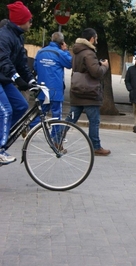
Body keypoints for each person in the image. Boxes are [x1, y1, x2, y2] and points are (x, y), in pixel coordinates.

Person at [0, 1, 36, 165]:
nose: (31, 22)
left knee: (21, 105)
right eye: (28, 19)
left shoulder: (18, 37)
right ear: (20, 20)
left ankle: (2, 135)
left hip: (4, 79)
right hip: (4, 77)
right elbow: (3, 61)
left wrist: (31, 80)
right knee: (6, 110)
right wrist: (17, 79)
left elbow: (21, 63)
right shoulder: (4, 36)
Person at [65, 28, 111, 156]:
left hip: (77, 91)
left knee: (70, 119)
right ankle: (96, 146)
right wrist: (104, 66)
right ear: (92, 38)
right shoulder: (89, 53)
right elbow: (96, 72)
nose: (96, 40)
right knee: (94, 121)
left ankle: (57, 139)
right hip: (89, 93)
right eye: (96, 37)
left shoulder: (76, 52)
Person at [30, 32, 72, 132]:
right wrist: (66, 50)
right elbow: (70, 64)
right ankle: (55, 136)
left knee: (41, 111)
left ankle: (31, 130)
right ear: (62, 42)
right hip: (55, 88)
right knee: (56, 114)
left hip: (42, 87)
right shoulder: (60, 53)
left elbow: (35, 67)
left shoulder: (40, 52)